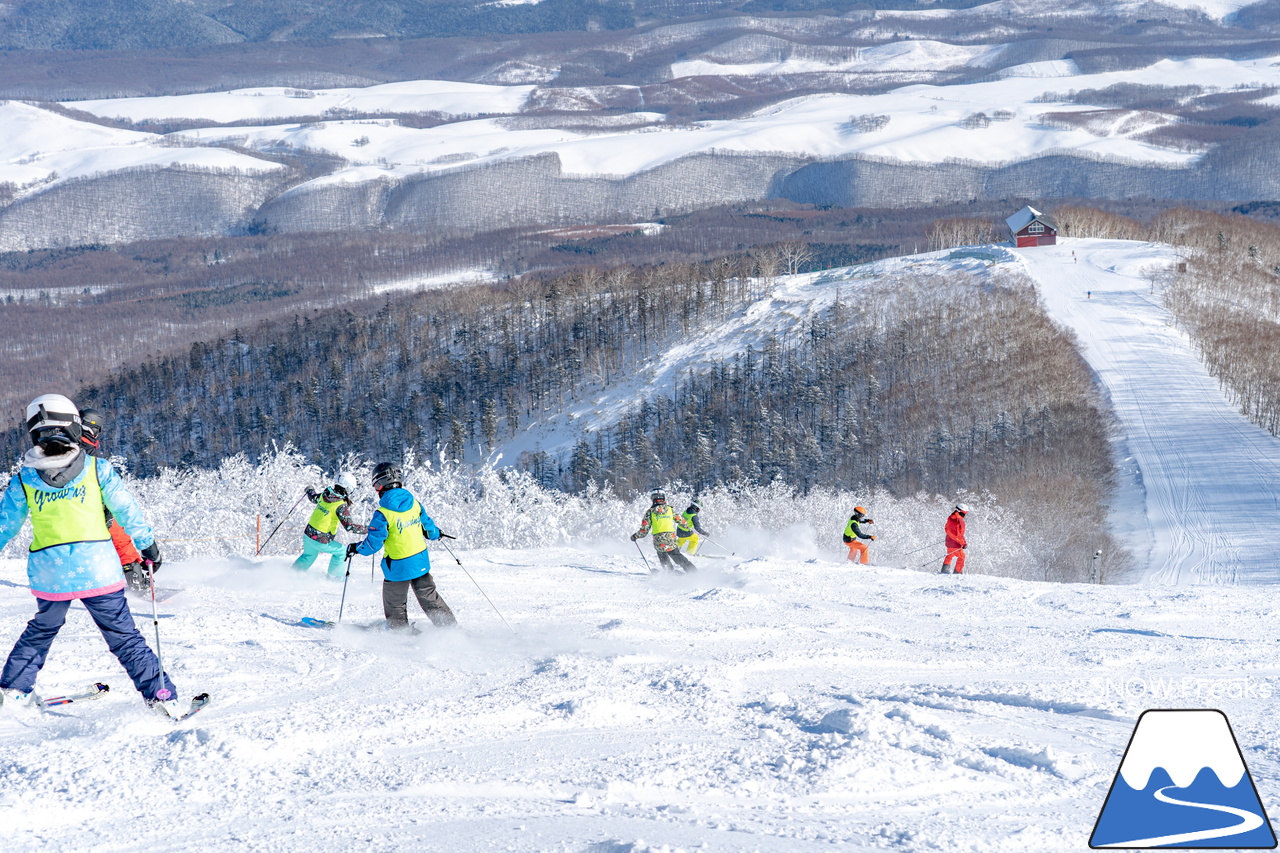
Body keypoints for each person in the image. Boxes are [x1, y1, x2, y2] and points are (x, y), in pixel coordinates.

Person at [0, 394, 184, 717]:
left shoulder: (24, 480)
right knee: (125, 638)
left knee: (41, 630)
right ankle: (160, 697)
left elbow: (4, 526)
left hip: (51, 576)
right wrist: (148, 545)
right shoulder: (97, 470)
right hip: (97, 570)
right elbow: (126, 509)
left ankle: (14, 690)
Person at [346, 463, 456, 630]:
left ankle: (400, 632)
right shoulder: (415, 504)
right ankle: (450, 629)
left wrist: (356, 548)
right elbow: (429, 528)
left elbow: (373, 544)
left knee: (394, 602)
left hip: (397, 566)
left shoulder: (383, 513)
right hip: (420, 561)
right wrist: (437, 533)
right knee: (429, 597)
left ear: (378, 485)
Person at [78, 407, 149, 595]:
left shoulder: (65, 447)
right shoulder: (88, 453)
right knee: (122, 542)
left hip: (67, 511)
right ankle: (137, 584)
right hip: (96, 509)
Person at [293, 473, 366, 580]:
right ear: (348, 488)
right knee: (341, 552)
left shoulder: (325, 495)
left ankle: (292, 574)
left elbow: (313, 498)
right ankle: (334, 577)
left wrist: (309, 490)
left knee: (309, 555)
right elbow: (349, 527)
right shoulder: (340, 504)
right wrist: (369, 529)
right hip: (320, 539)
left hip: (308, 535)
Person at [632, 490, 696, 573]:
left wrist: (636, 536)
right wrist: (687, 527)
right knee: (676, 555)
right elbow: (681, 521)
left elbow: (644, 530)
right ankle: (692, 571)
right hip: (671, 539)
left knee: (662, 555)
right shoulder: (670, 509)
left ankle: (669, 572)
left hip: (658, 540)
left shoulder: (650, 512)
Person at [941, 503, 969, 575]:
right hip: (956, 544)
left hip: (949, 541)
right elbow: (959, 535)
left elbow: (946, 528)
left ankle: (944, 570)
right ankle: (957, 572)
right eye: (965, 513)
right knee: (962, 557)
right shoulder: (959, 521)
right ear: (962, 512)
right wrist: (964, 543)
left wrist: (950, 536)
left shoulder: (950, 517)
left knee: (950, 555)